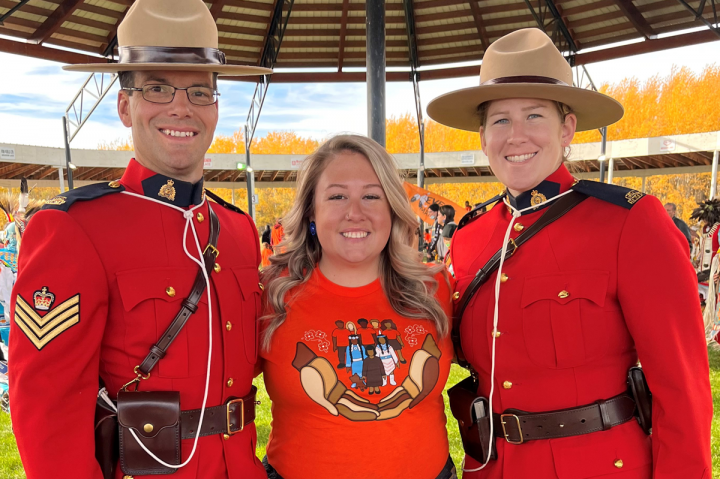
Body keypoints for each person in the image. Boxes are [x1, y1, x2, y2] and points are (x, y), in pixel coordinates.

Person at [427, 28, 712, 477]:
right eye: (499, 120)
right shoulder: (470, 236)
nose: (515, 136)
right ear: (482, 137)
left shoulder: (629, 223)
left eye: (534, 116)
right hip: (491, 466)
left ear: (567, 128)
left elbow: (682, 387)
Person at [8, 1, 271, 478]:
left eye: (199, 90)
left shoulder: (237, 231)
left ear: (215, 108)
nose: (181, 106)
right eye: (156, 88)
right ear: (125, 106)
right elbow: (48, 406)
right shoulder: (74, 228)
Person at [259, 134, 455, 479]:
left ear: (392, 209)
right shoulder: (270, 293)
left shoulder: (433, 289)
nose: (355, 213)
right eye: (337, 196)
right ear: (311, 213)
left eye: (371, 196)